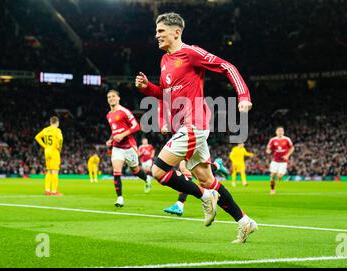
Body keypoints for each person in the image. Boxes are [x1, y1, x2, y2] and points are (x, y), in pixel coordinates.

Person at [136, 12, 257, 243]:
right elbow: (165, 94)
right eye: (156, 31)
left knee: (158, 171)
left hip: (194, 124)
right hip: (184, 125)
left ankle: (204, 196)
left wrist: (243, 95)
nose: (156, 35)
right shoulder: (164, 61)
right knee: (206, 178)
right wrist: (147, 87)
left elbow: (226, 66)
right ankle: (245, 222)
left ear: (177, 32)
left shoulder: (191, 53)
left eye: (161, 31)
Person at [105, 89, 152, 208]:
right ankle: (120, 198)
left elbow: (137, 126)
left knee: (135, 170)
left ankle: (147, 179)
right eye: (109, 97)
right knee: (116, 171)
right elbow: (114, 131)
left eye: (113, 96)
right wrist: (111, 139)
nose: (111, 98)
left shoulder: (124, 111)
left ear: (118, 98)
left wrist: (122, 135)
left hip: (129, 146)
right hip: (117, 148)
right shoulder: (109, 115)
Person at [163, 158, 230, 217]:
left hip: (192, 146)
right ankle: (217, 165)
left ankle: (180, 204)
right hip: (187, 146)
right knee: (198, 172)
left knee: (186, 169)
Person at [34, 116, 63, 196]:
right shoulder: (57, 130)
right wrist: (59, 148)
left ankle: (47, 190)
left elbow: (37, 137)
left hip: (47, 151)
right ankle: (54, 191)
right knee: (55, 171)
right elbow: (60, 139)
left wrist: (44, 146)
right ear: (57, 123)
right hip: (54, 151)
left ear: (50, 122)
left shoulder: (45, 130)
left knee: (49, 171)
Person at [266, 127, 294, 195]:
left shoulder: (287, 139)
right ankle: (272, 189)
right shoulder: (273, 140)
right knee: (272, 175)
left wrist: (287, 155)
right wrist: (268, 151)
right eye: (279, 131)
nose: (280, 132)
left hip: (283, 161)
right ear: (276, 132)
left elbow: (292, 148)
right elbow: (268, 148)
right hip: (275, 161)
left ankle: (280, 178)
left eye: (281, 131)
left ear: (283, 132)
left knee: (279, 176)